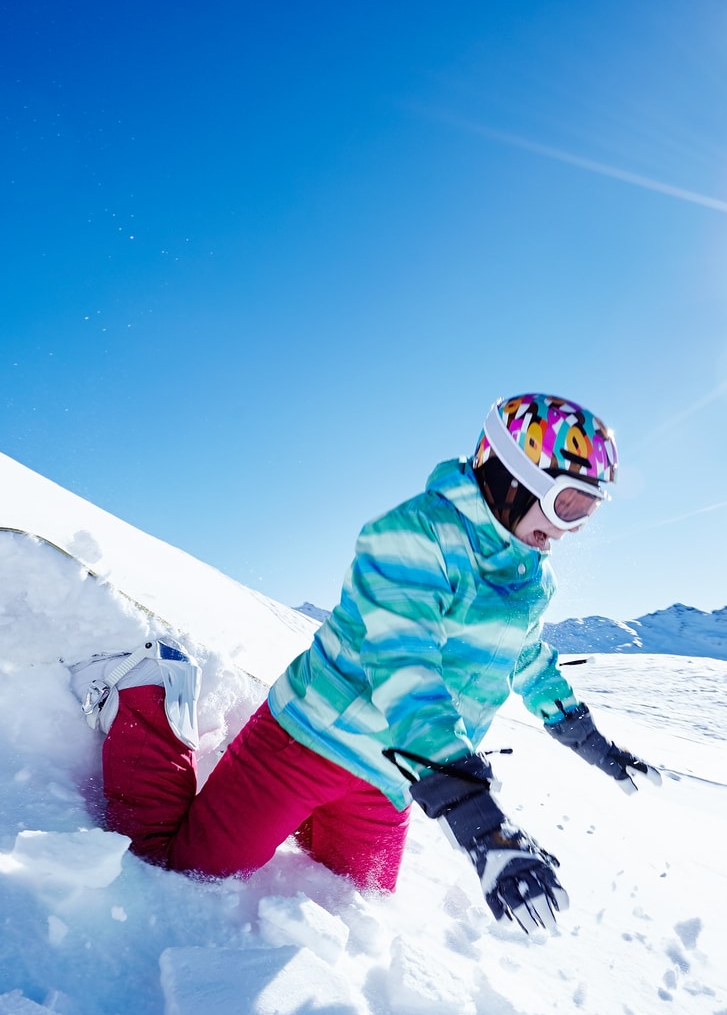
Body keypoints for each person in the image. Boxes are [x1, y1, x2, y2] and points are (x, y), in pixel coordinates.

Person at [73, 393, 658, 931]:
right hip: (308, 741)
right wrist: (476, 816)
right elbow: (404, 669)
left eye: (586, 511)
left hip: (391, 776)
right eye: (566, 504)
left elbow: (526, 656)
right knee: (181, 872)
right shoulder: (411, 535)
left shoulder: (532, 575)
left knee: (355, 911)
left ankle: (268, 805)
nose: (568, 529)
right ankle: (148, 692)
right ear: (511, 478)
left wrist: (589, 741)